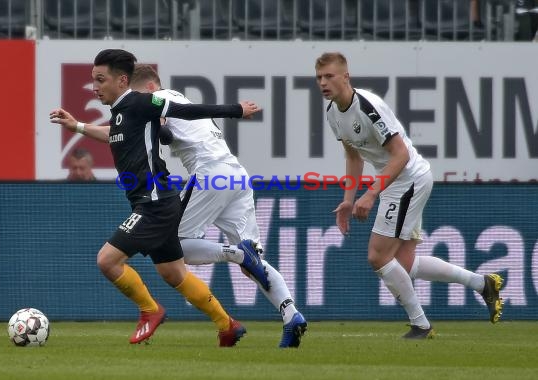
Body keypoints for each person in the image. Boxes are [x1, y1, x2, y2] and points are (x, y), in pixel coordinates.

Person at [50, 48, 261, 346]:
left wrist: (235, 109)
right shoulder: (123, 113)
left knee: (107, 261)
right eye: (92, 81)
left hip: (155, 204)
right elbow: (113, 134)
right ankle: (227, 325)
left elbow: (185, 110)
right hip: (153, 203)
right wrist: (77, 127)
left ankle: (150, 310)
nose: (95, 87)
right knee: (173, 273)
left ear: (122, 80)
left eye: (101, 80)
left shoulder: (142, 101)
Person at [315, 52, 503, 339]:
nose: (323, 83)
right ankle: (483, 284)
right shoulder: (332, 113)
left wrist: (371, 194)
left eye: (329, 76)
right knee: (403, 265)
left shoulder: (367, 107)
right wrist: (348, 199)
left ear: (345, 76)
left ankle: (421, 325)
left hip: (407, 179)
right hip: (397, 181)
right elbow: (354, 157)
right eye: (319, 78)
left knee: (377, 257)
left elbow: (400, 154)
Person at [130, 64, 307, 348]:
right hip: (236, 175)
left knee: (171, 245)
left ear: (150, 88)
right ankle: (291, 314)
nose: (137, 103)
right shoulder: (181, 98)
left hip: (209, 173)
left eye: (137, 95)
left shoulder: (159, 99)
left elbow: (160, 134)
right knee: (255, 263)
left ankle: (236, 253)